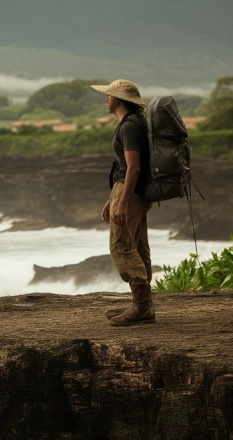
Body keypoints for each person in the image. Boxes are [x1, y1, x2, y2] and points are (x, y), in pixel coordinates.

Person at [91, 79, 155, 326]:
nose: (105, 99)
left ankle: (141, 307)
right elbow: (124, 169)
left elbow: (133, 168)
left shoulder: (128, 127)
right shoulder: (136, 123)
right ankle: (142, 305)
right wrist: (112, 200)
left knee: (120, 246)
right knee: (138, 246)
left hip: (131, 191)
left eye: (109, 95)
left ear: (119, 99)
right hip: (134, 191)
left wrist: (122, 203)